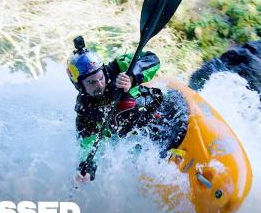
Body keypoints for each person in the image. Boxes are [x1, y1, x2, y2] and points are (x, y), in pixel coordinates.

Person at [66, 36, 187, 183]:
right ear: (79, 85)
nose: (99, 84)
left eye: (100, 77)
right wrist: (88, 170)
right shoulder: (85, 113)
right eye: (91, 82)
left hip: (165, 111)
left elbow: (152, 60)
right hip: (144, 139)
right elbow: (89, 147)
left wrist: (132, 77)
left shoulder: (118, 67)